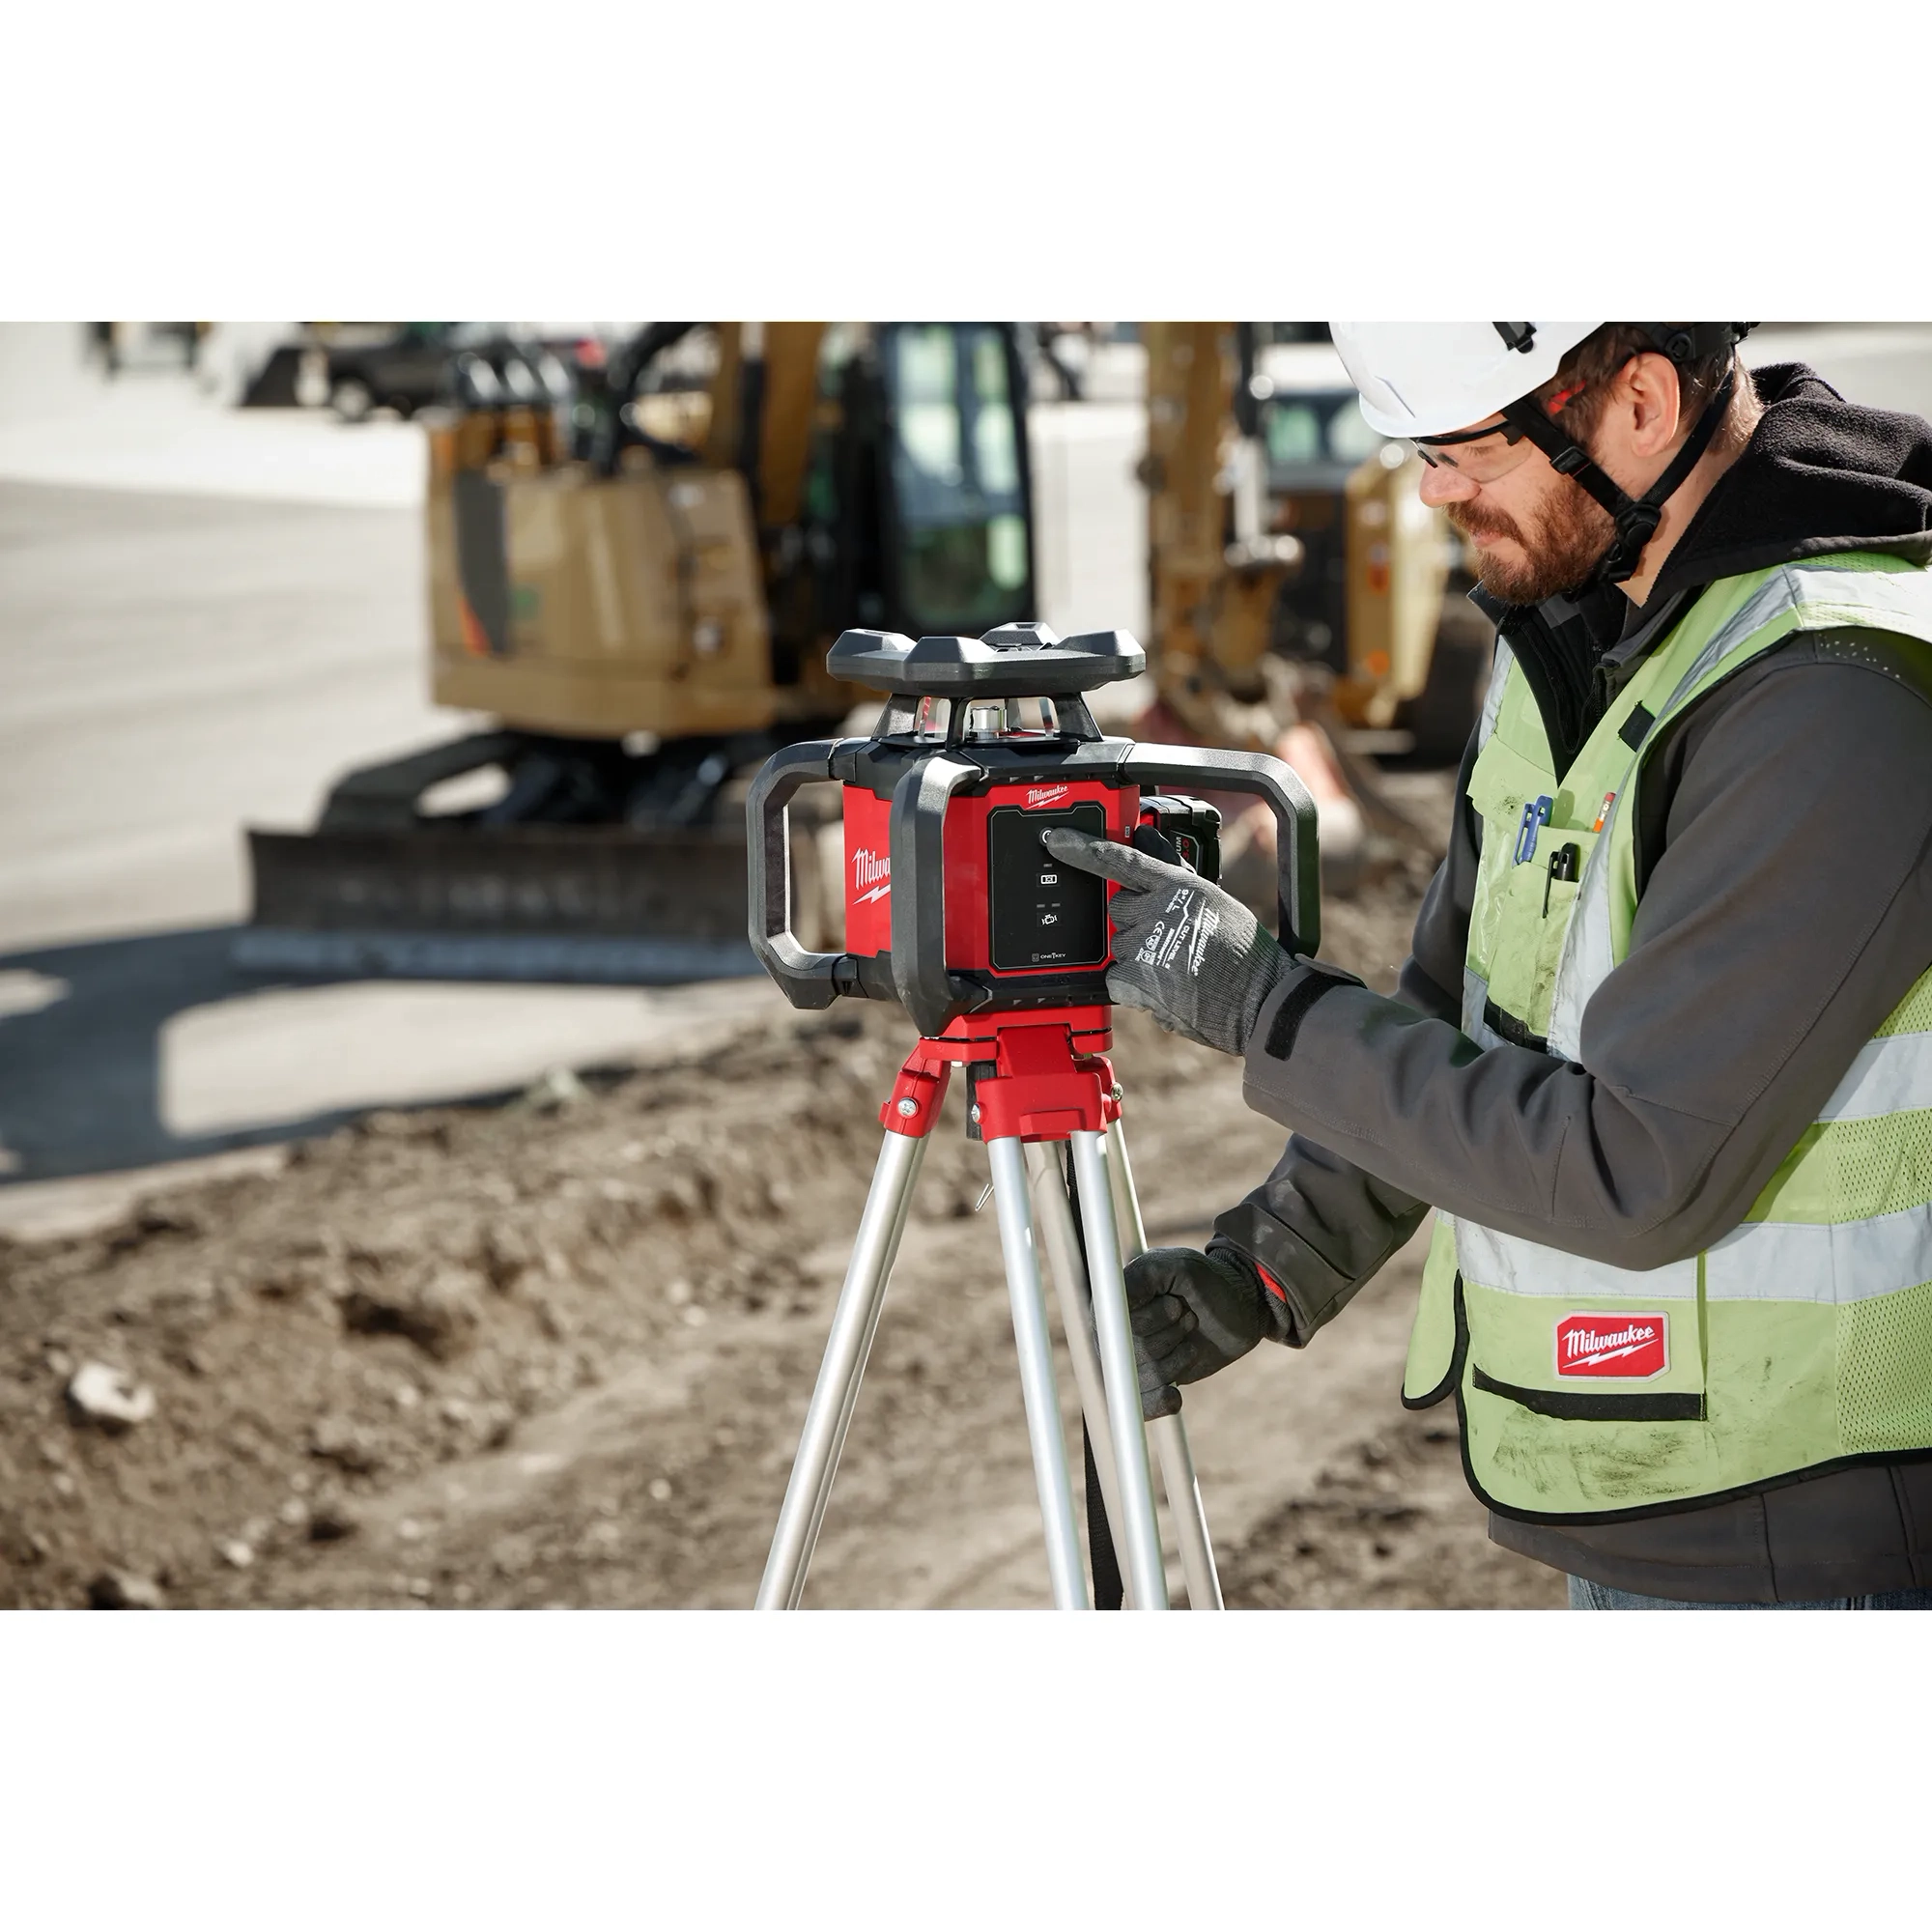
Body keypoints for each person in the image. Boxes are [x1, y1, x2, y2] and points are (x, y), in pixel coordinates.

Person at [1042, 322, 1932, 1609]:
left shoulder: (1828, 690)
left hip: (1823, 1535)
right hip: (1659, 1502)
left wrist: (1261, 1005)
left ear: (1640, 403)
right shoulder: (1581, 631)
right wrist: (1268, 1263)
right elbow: (1465, 1014)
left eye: (1468, 450)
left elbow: (1635, 1169)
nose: (1433, 493)